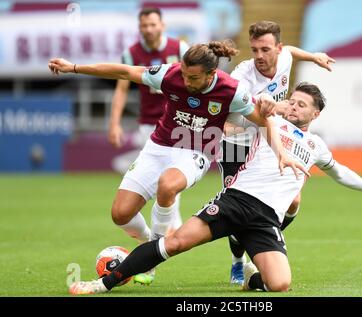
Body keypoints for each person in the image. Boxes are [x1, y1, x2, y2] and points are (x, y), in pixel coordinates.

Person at [67, 82, 362, 294]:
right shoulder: (266, 124)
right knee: (174, 243)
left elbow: (341, 172)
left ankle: (248, 276)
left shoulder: (317, 146)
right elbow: (238, 109)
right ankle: (103, 284)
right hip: (235, 202)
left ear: (314, 115)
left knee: (280, 285)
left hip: (265, 221)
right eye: (291, 101)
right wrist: (260, 110)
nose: (292, 107)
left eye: (301, 105)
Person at [48, 39, 306, 285]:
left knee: (168, 185)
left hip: (197, 152)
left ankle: (151, 255)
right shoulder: (170, 74)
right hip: (159, 146)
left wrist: (282, 152)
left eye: (192, 78)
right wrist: (73, 67)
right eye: (183, 74)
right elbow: (125, 71)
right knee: (120, 214)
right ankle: (150, 239)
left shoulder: (233, 90)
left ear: (211, 74)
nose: (185, 81)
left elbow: (264, 120)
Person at [220, 20, 336, 285]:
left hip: (268, 141)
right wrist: (271, 111)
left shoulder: (284, 56)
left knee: (293, 202)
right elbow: (227, 126)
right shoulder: (241, 78)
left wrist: (314, 57)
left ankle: (262, 241)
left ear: (277, 48)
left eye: (265, 49)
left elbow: (292, 51)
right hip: (237, 146)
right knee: (237, 212)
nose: (259, 56)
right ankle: (238, 262)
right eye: (254, 50)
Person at [108, 7, 189, 285]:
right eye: (144, 25)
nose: (149, 29)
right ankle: (154, 239)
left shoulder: (180, 48)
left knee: (170, 182)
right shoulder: (132, 53)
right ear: (140, 27)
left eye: (153, 24)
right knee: (152, 184)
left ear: (162, 24)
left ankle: (167, 234)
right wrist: (114, 122)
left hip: (179, 125)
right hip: (149, 127)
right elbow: (121, 89)